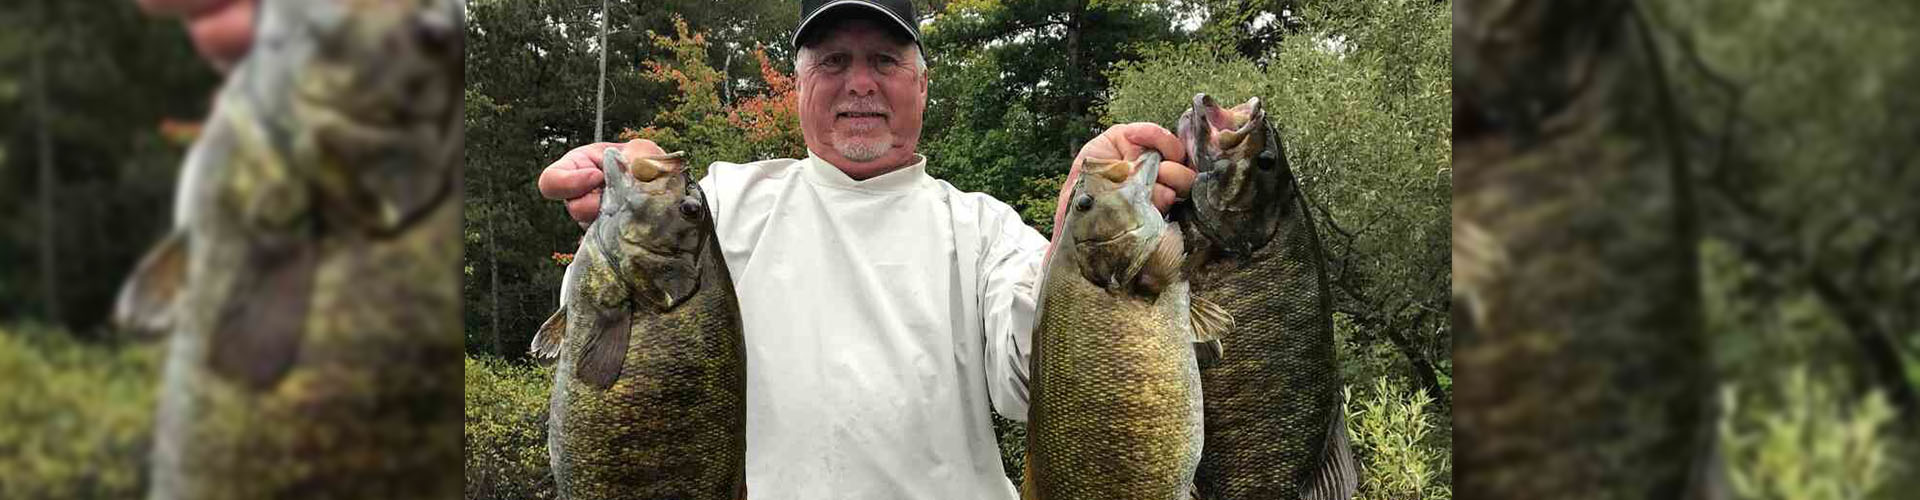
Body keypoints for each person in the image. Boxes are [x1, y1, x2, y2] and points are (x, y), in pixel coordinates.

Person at [538, 1, 1195, 498]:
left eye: (884, 60)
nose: (859, 83)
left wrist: (1077, 229)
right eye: (832, 61)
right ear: (799, 86)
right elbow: (621, 308)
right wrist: (623, 173)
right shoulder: (722, 207)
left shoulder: (984, 229)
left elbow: (1039, 387)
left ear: (922, 86)